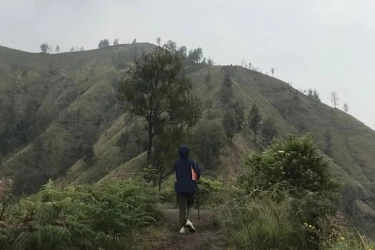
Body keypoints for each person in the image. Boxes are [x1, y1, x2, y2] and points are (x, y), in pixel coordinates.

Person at [174, 145, 201, 234]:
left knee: (182, 207)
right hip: (190, 186)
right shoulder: (192, 162)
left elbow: (176, 173)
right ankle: (189, 221)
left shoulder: (176, 162)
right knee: (190, 204)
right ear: (188, 152)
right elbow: (198, 173)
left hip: (180, 187)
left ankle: (182, 227)